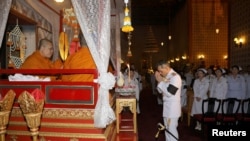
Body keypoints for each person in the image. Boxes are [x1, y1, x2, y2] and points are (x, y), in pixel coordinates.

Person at [154, 60, 182, 141]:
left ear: (166, 68)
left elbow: (170, 93)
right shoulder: (167, 76)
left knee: (171, 130)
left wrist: (160, 82)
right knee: (167, 129)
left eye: (161, 71)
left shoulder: (175, 77)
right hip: (167, 107)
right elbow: (160, 90)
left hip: (172, 109)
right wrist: (159, 81)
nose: (160, 73)